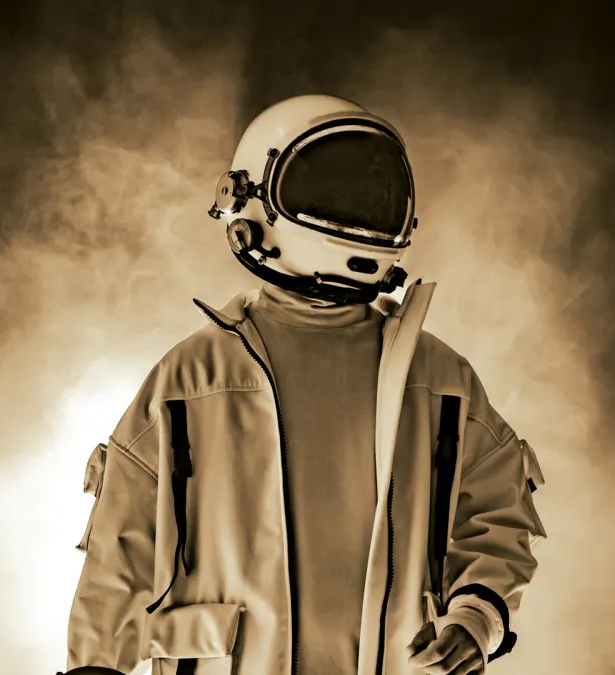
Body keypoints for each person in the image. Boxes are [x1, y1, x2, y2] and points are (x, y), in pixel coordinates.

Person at [60, 95, 547, 675]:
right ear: (251, 201)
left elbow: (497, 513)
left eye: (370, 195)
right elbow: (121, 552)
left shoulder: (440, 380)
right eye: (330, 192)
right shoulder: (192, 379)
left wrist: (476, 617)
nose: (356, 211)